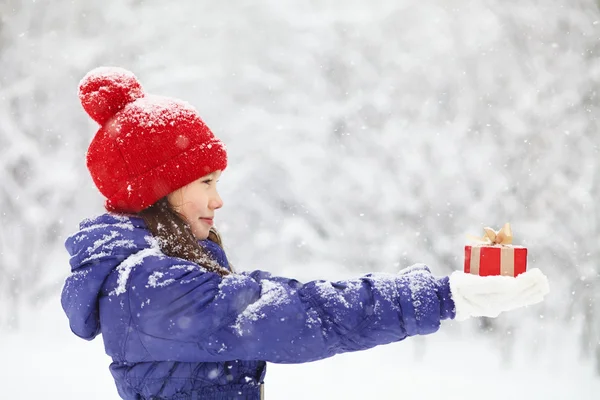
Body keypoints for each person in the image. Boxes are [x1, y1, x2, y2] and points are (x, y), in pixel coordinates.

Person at [61, 67, 549, 400]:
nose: (217, 199)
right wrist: (442, 296)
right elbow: (301, 314)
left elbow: (285, 302)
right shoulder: (154, 287)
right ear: (158, 191)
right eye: (205, 182)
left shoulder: (155, 278)